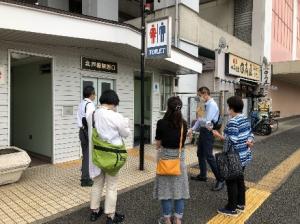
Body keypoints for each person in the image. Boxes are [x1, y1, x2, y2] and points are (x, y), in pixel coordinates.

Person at [87, 90, 130, 224]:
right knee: (111, 186)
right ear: (114, 102)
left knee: (97, 183)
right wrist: (126, 124)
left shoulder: (92, 114)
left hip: (97, 156)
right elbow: (125, 134)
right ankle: (110, 216)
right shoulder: (116, 116)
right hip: (112, 157)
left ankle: (94, 211)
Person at [212, 96, 254, 216]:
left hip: (233, 158)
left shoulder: (233, 121)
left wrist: (218, 135)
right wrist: (250, 141)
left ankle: (231, 208)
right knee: (240, 180)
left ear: (232, 108)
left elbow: (231, 140)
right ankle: (240, 204)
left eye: (228, 106)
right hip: (244, 155)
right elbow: (250, 134)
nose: (227, 109)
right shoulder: (245, 119)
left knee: (231, 182)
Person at [154, 96, 189, 224]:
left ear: (168, 108)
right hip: (179, 161)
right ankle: (178, 219)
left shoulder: (161, 123)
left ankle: (167, 219)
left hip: (164, 160)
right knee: (179, 191)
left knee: (165, 191)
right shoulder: (184, 124)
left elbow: (158, 144)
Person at [188, 87, 224, 191]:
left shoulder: (212, 105)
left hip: (208, 132)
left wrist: (200, 111)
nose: (198, 97)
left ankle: (220, 179)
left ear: (205, 94)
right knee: (200, 153)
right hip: (203, 131)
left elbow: (207, 121)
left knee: (209, 156)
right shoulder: (203, 104)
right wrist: (192, 129)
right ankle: (203, 175)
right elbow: (199, 120)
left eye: (199, 95)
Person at [77, 86, 96, 187]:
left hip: (81, 131)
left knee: (85, 154)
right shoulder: (90, 104)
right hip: (87, 131)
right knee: (88, 155)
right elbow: (90, 120)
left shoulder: (81, 103)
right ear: (91, 94)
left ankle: (84, 171)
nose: (95, 96)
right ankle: (85, 179)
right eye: (94, 94)